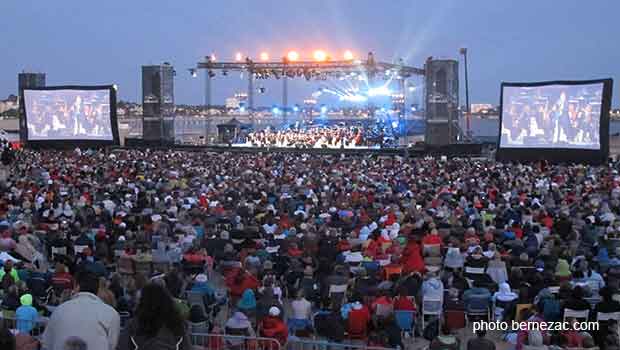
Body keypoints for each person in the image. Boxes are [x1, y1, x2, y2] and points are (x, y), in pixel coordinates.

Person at [41, 271, 120, 350]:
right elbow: (112, 345)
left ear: (76, 286)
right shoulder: (111, 313)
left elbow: (46, 344)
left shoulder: (59, 310)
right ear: (98, 289)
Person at [121, 283, 191, 350]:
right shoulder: (178, 325)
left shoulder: (133, 325)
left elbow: (122, 347)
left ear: (143, 301)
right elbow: (186, 347)